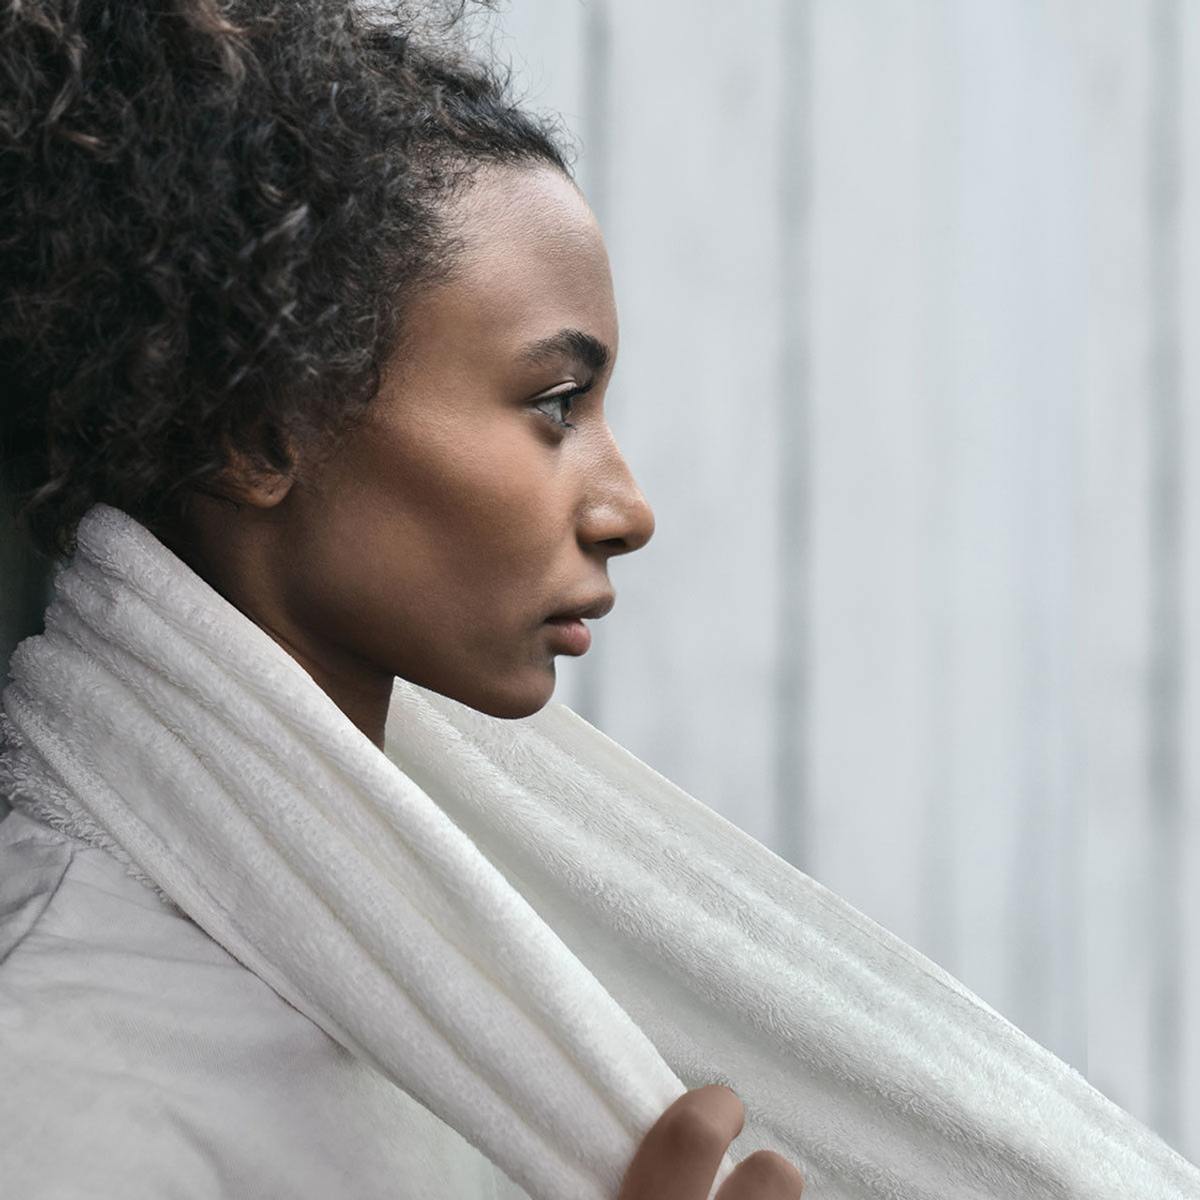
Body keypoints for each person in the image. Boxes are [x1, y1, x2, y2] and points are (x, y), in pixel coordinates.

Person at [0, 1, 804, 1196]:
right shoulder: (59, 1067)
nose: (626, 508)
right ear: (261, 434)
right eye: (554, 405)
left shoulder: (450, 979)